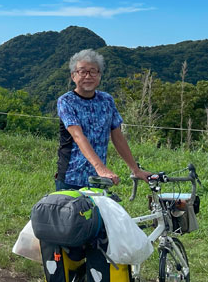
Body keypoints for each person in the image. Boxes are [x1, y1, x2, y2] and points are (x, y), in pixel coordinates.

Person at [55, 49, 152, 190]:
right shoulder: (66, 101)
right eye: (82, 72)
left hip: (99, 180)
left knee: (100, 212)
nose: (88, 76)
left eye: (93, 71)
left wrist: (135, 169)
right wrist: (100, 168)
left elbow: (117, 136)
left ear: (99, 75)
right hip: (71, 177)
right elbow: (78, 136)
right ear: (73, 76)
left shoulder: (106, 100)